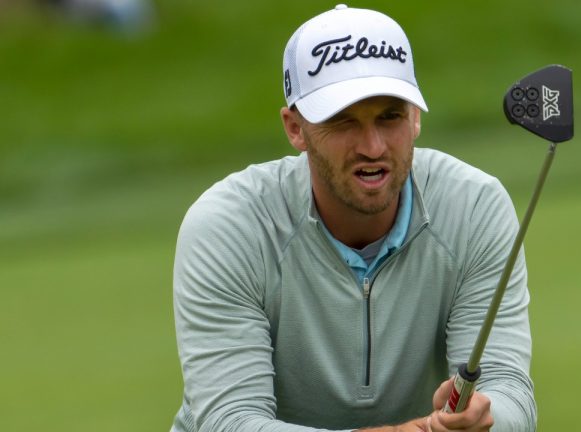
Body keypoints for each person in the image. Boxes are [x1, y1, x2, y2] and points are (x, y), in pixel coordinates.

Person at [171, 5, 536, 432]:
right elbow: (230, 422)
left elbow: (508, 390)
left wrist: (484, 421)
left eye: (390, 116)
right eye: (343, 120)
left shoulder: (474, 206)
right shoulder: (228, 226)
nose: (373, 146)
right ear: (295, 127)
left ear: (416, 117)